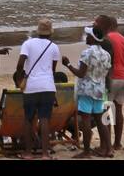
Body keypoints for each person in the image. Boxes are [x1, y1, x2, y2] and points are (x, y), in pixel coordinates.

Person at [61, 25, 113, 158]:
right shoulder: (106, 54)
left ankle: (87, 151)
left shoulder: (87, 53)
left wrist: (67, 64)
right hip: (100, 90)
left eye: (88, 35)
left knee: (86, 121)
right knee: (100, 121)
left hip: (87, 90)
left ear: (93, 38)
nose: (86, 37)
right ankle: (108, 150)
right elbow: (106, 74)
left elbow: (80, 73)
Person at [15, 19, 60, 159]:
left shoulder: (28, 44)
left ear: (38, 30)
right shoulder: (54, 47)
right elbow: (52, 70)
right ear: (50, 32)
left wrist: (18, 79)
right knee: (45, 119)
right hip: (48, 86)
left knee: (28, 119)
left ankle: (28, 153)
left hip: (31, 87)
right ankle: (45, 153)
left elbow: (20, 64)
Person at [98, 14, 124, 150]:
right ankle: (117, 143)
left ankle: (105, 145)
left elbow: (106, 62)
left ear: (107, 26)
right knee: (118, 111)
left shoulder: (107, 39)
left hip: (112, 78)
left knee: (107, 111)